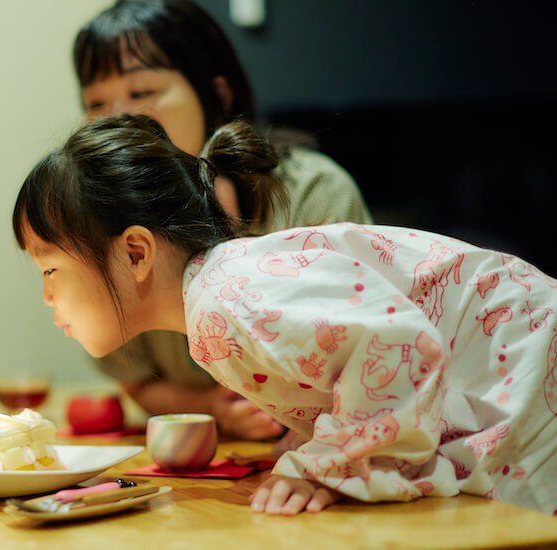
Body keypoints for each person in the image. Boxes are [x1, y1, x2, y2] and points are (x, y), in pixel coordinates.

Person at [12, 113, 557, 524]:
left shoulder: (228, 298)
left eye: (50, 269)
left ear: (136, 252)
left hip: (533, 357)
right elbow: (337, 373)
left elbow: (395, 343)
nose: (45, 297)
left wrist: (323, 468)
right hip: (520, 344)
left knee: (530, 527)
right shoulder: (218, 298)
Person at [72, 0, 373, 439]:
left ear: (217, 94)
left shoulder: (313, 196)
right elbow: (134, 375)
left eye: (142, 93)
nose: (119, 118)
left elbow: (369, 358)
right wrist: (210, 406)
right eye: (96, 102)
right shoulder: (104, 223)